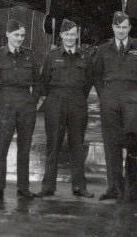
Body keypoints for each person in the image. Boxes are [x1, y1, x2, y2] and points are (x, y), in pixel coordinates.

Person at [92, 11, 137, 201]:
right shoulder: (103, 49)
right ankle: (114, 188)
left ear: (129, 28)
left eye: (124, 27)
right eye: (118, 27)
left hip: (132, 97)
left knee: (134, 143)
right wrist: (103, 95)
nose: (121, 31)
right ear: (113, 27)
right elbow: (96, 75)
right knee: (111, 143)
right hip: (110, 98)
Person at [36, 19, 94, 198]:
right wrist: (54, 98)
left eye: (73, 34)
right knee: (53, 144)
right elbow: (43, 81)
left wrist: (76, 97)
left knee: (77, 145)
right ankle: (48, 186)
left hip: (77, 102)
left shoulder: (85, 56)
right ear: (61, 35)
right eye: (67, 34)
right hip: (56, 102)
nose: (70, 37)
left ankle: (79, 187)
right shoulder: (52, 56)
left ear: (77, 35)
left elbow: (88, 82)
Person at [0, 19, 41, 200]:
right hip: (5, 106)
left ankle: (23, 188)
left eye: (22, 35)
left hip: (26, 106)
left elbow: (38, 83)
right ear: (7, 34)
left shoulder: (30, 56)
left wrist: (33, 102)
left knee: (25, 149)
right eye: (16, 35)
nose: (19, 38)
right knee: (2, 149)